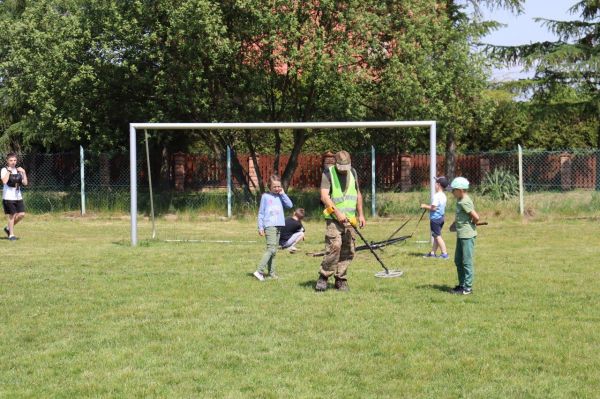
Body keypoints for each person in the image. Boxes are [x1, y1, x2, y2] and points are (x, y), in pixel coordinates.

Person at [315, 150, 366, 292]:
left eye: (346, 167)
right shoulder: (327, 173)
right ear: (336, 164)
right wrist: (337, 213)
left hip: (350, 219)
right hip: (333, 219)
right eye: (341, 167)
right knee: (335, 246)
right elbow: (324, 197)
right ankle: (323, 277)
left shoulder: (353, 173)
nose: (344, 170)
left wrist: (361, 214)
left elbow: (358, 194)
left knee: (348, 250)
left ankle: (341, 279)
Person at [253, 174, 293, 281]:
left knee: (274, 251)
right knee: (271, 249)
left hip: (279, 226)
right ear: (269, 186)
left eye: (279, 186)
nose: (277, 188)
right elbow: (261, 213)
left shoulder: (281, 196)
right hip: (269, 226)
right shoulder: (265, 197)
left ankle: (272, 273)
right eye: (274, 186)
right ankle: (259, 271)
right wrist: (260, 227)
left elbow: (290, 205)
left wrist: (283, 193)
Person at [449, 177, 479, 295]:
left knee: (466, 261)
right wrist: (454, 224)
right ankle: (461, 285)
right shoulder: (459, 200)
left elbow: (476, 217)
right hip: (461, 235)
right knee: (458, 260)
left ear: (461, 190)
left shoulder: (465, 201)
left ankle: (468, 288)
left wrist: (474, 222)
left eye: (454, 190)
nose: (452, 192)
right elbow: (460, 216)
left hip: (467, 235)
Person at [421, 176, 449, 259]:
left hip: (435, 219)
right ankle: (432, 253)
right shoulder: (443, 195)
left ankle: (444, 254)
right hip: (441, 218)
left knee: (437, 236)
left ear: (439, 185)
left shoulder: (437, 196)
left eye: (436, 183)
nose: (435, 185)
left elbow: (433, 208)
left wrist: (424, 206)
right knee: (436, 235)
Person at [1, 152, 28, 241]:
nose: (13, 162)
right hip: (8, 197)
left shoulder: (18, 170)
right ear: (7, 161)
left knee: (21, 214)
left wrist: (24, 173)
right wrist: (9, 171)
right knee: (12, 216)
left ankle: (8, 228)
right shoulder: (4, 170)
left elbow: (25, 183)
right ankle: (11, 235)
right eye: (11, 160)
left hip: (18, 196)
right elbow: (4, 181)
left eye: (15, 160)